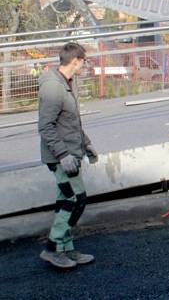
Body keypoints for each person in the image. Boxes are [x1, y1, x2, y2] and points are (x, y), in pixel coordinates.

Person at [37, 42, 98, 269]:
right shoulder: (53, 88)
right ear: (76, 61)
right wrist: (63, 155)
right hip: (61, 157)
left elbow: (71, 122)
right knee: (76, 200)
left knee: (66, 201)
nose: (84, 65)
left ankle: (67, 250)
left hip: (71, 152)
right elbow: (46, 127)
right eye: (84, 61)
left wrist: (87, 144)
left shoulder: (68, 83)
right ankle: (53, 249)